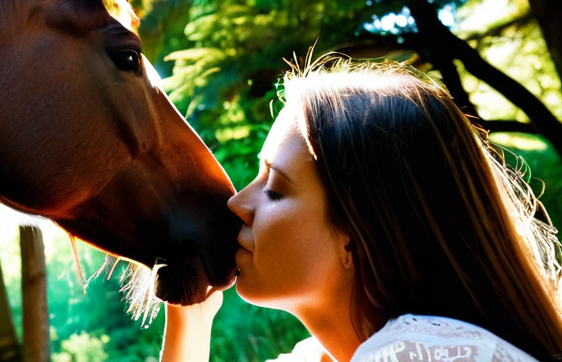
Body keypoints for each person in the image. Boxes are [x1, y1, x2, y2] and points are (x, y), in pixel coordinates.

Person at [160, 56, 562, 362]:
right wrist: (190, 319)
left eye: (276, 189)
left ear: (356, 237)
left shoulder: (411, 352)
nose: (237, 202)